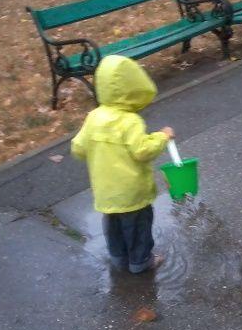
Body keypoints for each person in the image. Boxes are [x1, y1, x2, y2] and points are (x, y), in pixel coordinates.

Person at [71, 55, 174, 274]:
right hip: (132, 194)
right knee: (138, 228)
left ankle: (119, 259)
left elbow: (78, 148)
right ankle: (140, 262)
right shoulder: (130, 121)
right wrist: (162, 137)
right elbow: (143, 150)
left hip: (106, 193)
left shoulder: (93, 117)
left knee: (114, 228)